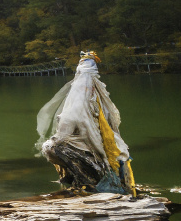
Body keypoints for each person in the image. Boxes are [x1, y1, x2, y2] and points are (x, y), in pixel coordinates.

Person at [36, 51, 136, 196]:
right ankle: (86, 185)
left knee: (120, 152)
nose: (89, 87)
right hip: (75, 147)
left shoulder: (98, 104)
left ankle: (93, 186)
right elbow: (63, 136)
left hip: (88, 145)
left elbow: (110, 126)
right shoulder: (75, 110)